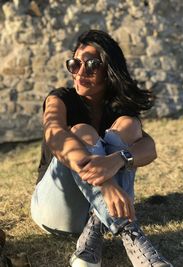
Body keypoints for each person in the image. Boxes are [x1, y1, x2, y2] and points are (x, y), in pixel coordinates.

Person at [31, 30, 173, 267]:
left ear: (109, 70)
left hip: (94, 212)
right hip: (56, 209)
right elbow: (54, 136)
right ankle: (129, 231)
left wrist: (117, 160)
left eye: (92, 64)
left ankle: (93, 234)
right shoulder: (60, 98)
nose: (80, 72)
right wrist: (105, 182)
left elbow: (148, 147)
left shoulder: (117, 107)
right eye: (74, 64)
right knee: (82, 131)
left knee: (129, 125)